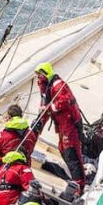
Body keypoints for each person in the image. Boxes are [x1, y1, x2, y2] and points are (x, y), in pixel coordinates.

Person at [35, 62, 85, 192]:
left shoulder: (58, 86)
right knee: (63, 149)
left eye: (39, 76)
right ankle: (76, 181)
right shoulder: (47, 89)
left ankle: (79, 186)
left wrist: (47, 108)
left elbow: (63, 102)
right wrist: (39, 124)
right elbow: (45, 108)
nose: (38, 79)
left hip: (70, 124)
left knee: (71, 152)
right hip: (63, 125)